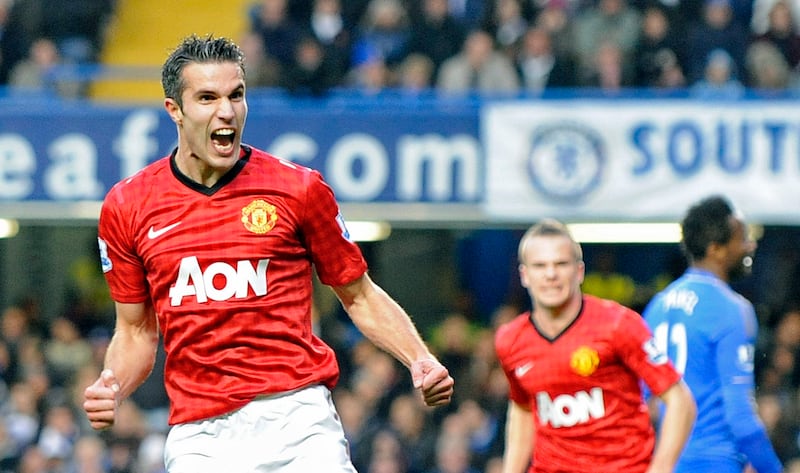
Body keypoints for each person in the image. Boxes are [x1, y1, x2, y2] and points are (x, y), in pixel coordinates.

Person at [81, 34, 454, 472]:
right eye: (207, 98)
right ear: (174, 111)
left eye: (236, 95)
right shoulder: (128, 206)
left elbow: (360, 295)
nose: (226, 111)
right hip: (201, 436)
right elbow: (136, 332)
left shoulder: (298, 189)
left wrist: (420, 359)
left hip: (298, 419)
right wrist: (112, 383)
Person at [494, 218, 696, 473]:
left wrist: (660, 469)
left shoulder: (618, 324)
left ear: (579, 271)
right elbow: (523, 410)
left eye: (561, 264)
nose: (551, 274)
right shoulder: (510, 340)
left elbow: (680, 401)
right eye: (540, 265)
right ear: (525, 275)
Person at [642, 195, 784, 473]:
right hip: (715, 462)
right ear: (716, 249)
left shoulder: (658, 305)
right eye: (741, 239)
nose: (749, 246)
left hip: (667, 461)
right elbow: (740, 415)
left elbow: (645, 402)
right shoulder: (731, 309)